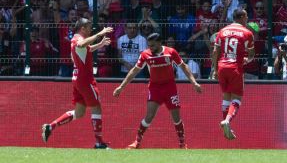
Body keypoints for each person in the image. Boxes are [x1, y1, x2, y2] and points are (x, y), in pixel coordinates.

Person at [113, 33, 202, 149]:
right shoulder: (145, 54)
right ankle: (137, 142)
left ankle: (182, 143)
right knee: (149, 116)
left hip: (170, 88)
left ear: (160, 43)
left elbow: (183, 66)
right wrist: (121, 86)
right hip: (155, 88)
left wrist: (194, 82)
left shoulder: (170, 52)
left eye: (153, 45)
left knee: (176, 118)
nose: (151, 48)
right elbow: (134, 70)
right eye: (149, 45)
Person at [41, 18, 113, 149]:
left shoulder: (76, 39)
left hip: (77, 79)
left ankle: (50, 126)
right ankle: (99, 143)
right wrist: (99, 34)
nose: (91, 29)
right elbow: (81, 45)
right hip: (85, 79)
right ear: (83, 28)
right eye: (89, 27)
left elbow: (86, 49)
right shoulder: (78, 39)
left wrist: (100, 44)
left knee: (79, 113)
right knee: (96, 108)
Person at [212, 9, 255, 140]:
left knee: (226, 97)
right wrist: (249, 59)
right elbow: (251, 53)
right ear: (241, 17)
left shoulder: (222, 31)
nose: (247, 18)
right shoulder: (247, 33)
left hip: (221, 67)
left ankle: (226, 127)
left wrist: (214, 69)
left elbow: (215, 52)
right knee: (237, 98)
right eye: (246, 16)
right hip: (235, 68)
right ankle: (227, 121)